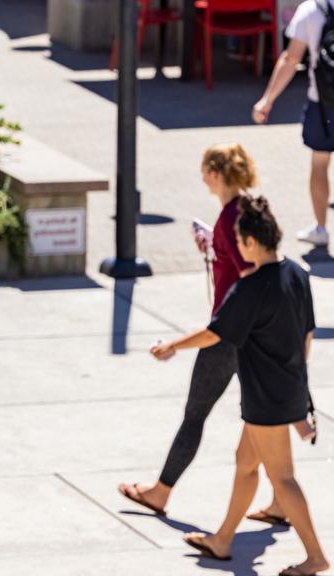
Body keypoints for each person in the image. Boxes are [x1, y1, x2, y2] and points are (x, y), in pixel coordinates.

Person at [151, 196, 329, 576]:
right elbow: (307, 336)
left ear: (250, 243)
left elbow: (214, 334)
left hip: (266, 398)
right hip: (284, 388)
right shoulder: (296, 273)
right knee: (245, 462)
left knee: (282, 477)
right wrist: (297, 389)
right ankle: (223, 539)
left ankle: (315, 556)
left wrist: (171, 346)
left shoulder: (250, 288)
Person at [119, 145, 296, 524]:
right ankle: (282, 499)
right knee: (261, 427)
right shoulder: (247, 210)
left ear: (217, 173)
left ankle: (159, 491)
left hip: (230, 335)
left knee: (196, 415)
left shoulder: (231, 218)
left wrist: (179, 343)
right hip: (253, 335)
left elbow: (250, 271)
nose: (202, 178)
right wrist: (212, 250)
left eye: (205, 171)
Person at [252, 0, 334, 247]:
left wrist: (267, 100)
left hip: (322, 102)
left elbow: (291, 59)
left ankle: (321, 229)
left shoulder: (311, 10)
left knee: (319, 163)